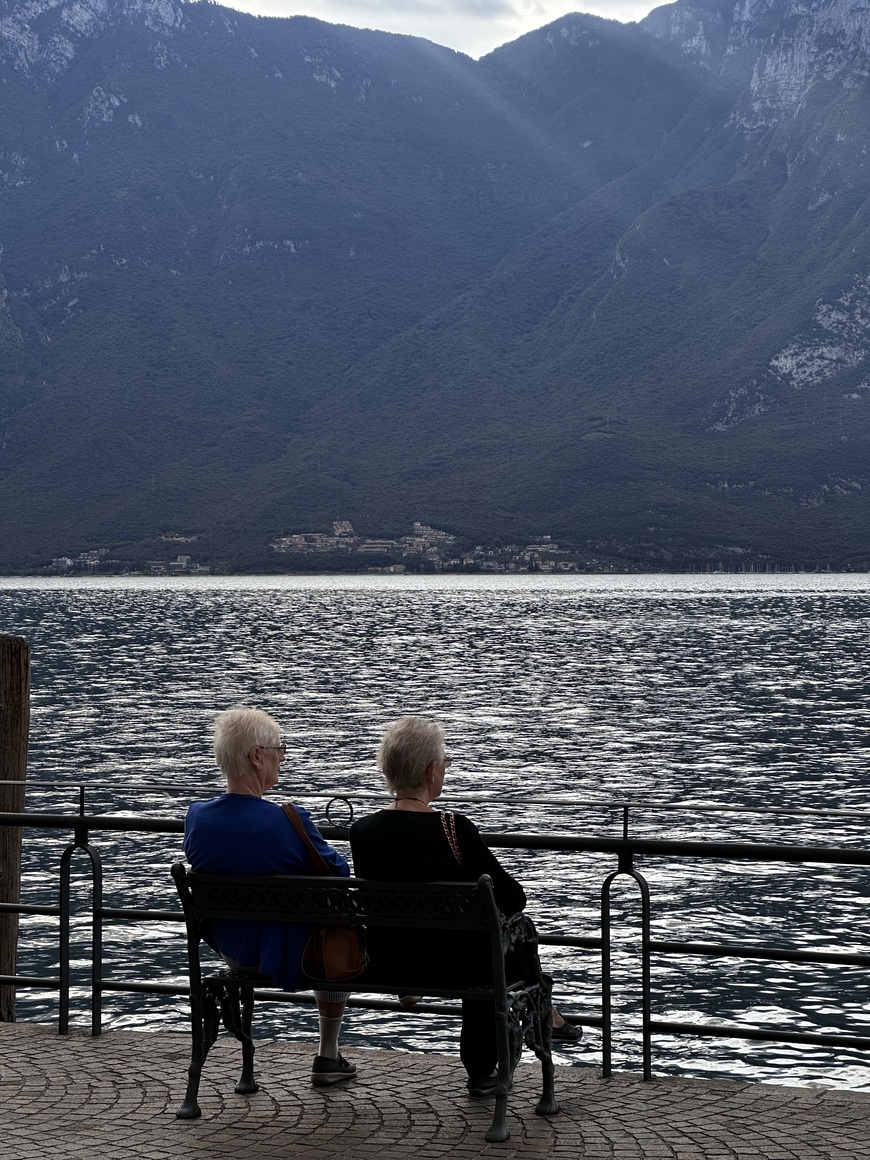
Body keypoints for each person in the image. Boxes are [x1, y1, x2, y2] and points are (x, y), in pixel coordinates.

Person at [349, 715, 580, 1097]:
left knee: (483, 941)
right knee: (502, 941)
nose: (445, 770)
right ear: (429, 771)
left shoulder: (362, 832)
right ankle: (511, 1044)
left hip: (389, 961)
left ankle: (542, 1019)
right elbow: (513, 897)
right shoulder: (454, 829)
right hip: (454, 968)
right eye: (445, 764)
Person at [183, 705, 356, 1087]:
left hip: (232, 950)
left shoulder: (197, 817)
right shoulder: (286, 821)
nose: (282, 757)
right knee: (336, 927)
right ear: (256, 756)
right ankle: (328, 1055)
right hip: (294, 957)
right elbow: (340, 873)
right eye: (279, 749)